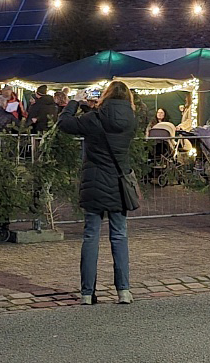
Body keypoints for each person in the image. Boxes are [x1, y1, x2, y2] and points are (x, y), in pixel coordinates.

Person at [57, 80, 137, 306]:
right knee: (119, 236)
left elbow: (65, 123)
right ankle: (124, 291)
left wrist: (74, 102)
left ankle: (86, 292)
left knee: (91, 237)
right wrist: (90, 109)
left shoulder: (94, 119)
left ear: (106, 96)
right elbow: (108, 122)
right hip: (119, 184)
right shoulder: (131, 119)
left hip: (94, 183)